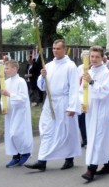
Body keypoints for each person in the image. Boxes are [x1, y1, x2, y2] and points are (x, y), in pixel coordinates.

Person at [25, 39, 81, 172]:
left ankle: (69, 158)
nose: (55, 51)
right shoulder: (49, 65)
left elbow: (74, 87)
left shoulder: (70, 66)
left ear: (65, 49)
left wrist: (73, 107)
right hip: (50, 101)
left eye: (58, 48)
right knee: (46, 129)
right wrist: (42, 77)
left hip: (64, 101)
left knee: (65, 131)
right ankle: (42, 161)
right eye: (54, 48)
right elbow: (42, 87)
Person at [79, 46, 109, 183]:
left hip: (102, 111)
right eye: (92, 56)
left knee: (97, 139)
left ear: (102, 58)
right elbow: (82, 90)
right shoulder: (87, 72)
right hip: (91, 111)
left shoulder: (107, 74)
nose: (94, 59)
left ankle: (91, 169)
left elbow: (104, 92)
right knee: (97, 138)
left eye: (97, 57)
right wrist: (82, 102)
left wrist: (92, 82)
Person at [0, 59, 33, 168]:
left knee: (17, 133)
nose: (5, 70)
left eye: (7, 68)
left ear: (15, 69)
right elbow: (3, 97)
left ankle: (25, 152)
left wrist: (9, 94)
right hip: (10, 112)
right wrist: (3, 106)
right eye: (5, 68)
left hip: (19, 112)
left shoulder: (21, 81)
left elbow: (23, 98)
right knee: (10, 134)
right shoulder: (6, 82)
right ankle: (15, 156)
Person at [76, 50, 90, 148]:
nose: (85, 59)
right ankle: (84, 139)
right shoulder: (79, 68)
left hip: (88, 96)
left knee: (87, 120)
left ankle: (89, 139)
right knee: (81, 120)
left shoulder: (92, 68)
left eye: (87, 57)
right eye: (83, 57)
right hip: (80, 96)